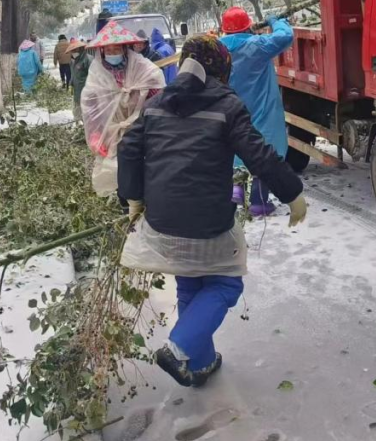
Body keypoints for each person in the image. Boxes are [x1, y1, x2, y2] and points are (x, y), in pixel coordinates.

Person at [118, 35, 307, 387]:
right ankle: (179, 348)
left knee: (191, 282)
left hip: (161, 218)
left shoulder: (157, 103)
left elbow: (129, 146)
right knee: (224, 283)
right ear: (221, 69)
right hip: (207, 219)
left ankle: (199, 363)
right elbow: (258, 153)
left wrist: (132, 198)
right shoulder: (226, 104)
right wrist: (292, 192)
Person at [220, 7, 294, 216]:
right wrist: (275, 21)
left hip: (233, 108)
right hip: (262, 108)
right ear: (248, 25)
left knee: (236, 146)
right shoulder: (258, 45)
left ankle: (236, 189)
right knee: (264, 149)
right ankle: (259, 201)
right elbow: (286, 36)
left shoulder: (219, 49)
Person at [80, 21, 165, 196]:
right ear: (102, 52)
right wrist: (96, 136)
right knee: (117, 177)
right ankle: (125, 203)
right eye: (109, 51)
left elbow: (158, 95)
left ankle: (142, 203)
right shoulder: (97, 75)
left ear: (125, 49)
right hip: (111, 134)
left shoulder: (143, 69)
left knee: (144, 174)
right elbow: (90, 105)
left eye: (117, 50)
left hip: (141, 131)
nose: (113, 54)